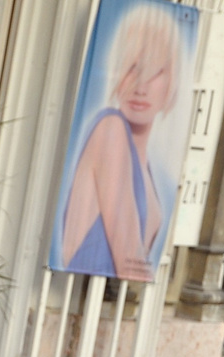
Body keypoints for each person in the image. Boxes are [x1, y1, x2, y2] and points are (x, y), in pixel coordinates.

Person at [59, 4, 182, 282]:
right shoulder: (110, 130)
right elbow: (129, 258)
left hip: (105, 303)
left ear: (171, 80)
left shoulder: (146, 164)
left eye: (155, 72)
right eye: (132, 68)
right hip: (76, 296)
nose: (140, 86)